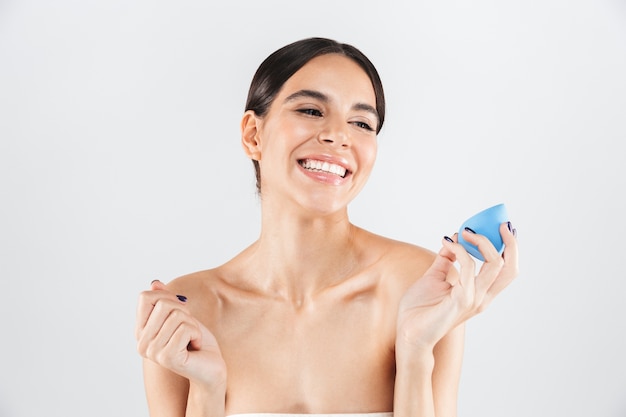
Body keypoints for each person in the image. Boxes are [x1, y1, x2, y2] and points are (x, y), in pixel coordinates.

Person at [134, 37, 519, 417]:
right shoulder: (187, 312)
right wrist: (207, 389)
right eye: (311, 111)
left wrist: (415, 352)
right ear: (253, 135)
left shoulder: (421, 287)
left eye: (361, 122)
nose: (339, 135)